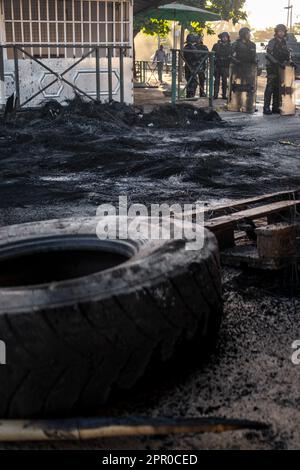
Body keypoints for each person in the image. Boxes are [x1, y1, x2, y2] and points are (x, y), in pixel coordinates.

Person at [263, 24, 292, 115]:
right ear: (276, 32)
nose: (281, 33)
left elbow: (287, 55)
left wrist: (291, 62)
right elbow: (268, 55)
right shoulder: (272, 41)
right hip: (272, 67)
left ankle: (275, 107)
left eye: (283, 31)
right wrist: (277, 63)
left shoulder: (284, 42)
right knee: (270, 87)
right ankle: (266, 107)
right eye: (279, 31)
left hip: (281, 68)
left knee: (278, 88)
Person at [212, 32, 232, 100]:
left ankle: (224, 95)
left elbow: (231, 55)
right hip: (217, 65)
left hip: (225, 66)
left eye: (226, 37)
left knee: (224, 81)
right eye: (223, 37)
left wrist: (227, 58)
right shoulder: (216, 45)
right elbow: (212, 54)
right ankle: (215, 95)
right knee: (216, 81)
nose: (224, 38)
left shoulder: (230, 46)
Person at [183, 34, 198, 98]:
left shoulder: (186, 47)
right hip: (192, 66)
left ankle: (189, 94)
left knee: (189, 80)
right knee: (193, 81)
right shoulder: (191, 47)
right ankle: (191, 95)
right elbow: (196, 56)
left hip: (188, 66)